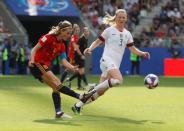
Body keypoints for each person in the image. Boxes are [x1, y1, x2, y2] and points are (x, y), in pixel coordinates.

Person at [71, 9, 150, 114]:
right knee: (118, 80)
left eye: (123, 17)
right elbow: (98, 41)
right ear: (116, 18)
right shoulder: (109, 30)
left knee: (100, 93)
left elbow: (132, 49)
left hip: (114, 65)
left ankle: (78, 105)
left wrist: (142, 53)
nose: (121, 19)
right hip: (107, 60)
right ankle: (93, 89)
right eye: (119, 17)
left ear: (126, 19)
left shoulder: (127, 34)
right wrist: (89, 49)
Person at [28, 20, 95, 119]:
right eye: (67, 33)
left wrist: (71, 67)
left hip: (43, 66)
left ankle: (58, 112)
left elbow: (63, 61)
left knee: (56, 87)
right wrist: (32, 60)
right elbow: (34, 49)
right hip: (37, 64)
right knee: (56, 81)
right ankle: (80, 97)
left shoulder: (62, 45)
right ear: (61, 31)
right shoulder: (48, 37)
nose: (68, 35)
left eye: (70, 33)